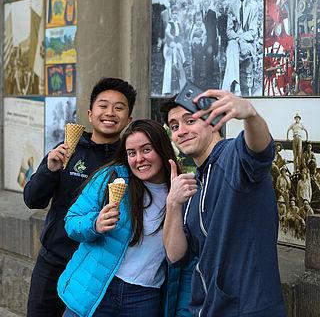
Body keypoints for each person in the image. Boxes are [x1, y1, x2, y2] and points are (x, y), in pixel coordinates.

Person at [160, 89, 286, 316]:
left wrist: (250, 115)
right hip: (209, 308)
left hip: (250, 308)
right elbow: (175, 255)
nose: (181, 131)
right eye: (175, 126)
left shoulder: (232, 156)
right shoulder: (195, 183)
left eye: (190, 120)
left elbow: (260, 151)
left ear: (213, 121)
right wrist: (173, 204)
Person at [23, 77, 137, 317]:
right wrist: (49, 169)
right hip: (55, 261)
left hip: (95, 270)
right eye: (103, 106)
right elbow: (33, 200)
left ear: (129, 119)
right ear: (89, 113)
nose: (110, 113)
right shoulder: (66, 150)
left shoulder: (131, 160)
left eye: (119, 108)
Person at [57, 120, 195, 317]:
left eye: (146, 150)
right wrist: (95, 223)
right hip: (97, 287)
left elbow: (183, 259)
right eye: (132, 153)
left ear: (162, 149)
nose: (139, 159)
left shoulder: (183, 192)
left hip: (144, 296)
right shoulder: (112, 177)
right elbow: (71, 222)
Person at [222, 0, 258, 96]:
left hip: (247, 43)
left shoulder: (253, 5)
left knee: (231, 49)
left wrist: (240, 38)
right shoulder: (232, 5)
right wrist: (237, 39)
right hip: (235, 42)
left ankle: (228, 89)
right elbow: (229, 32)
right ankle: (237, 87)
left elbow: (252, 32)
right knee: (232, 46)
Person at [188, 11, 207, 83]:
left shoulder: (203, 25)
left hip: (202, 42)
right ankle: (197, 76)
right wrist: (191, 41)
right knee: (196, 42)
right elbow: (191, 34)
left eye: (200, 20)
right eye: (197, 20)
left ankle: (197, 76)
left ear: (202, 20)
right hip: (196, 45)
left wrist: (202, 38)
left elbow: (205, 32)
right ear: (195, 20)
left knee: (204, 39)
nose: (199, 22)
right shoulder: (194, 26)